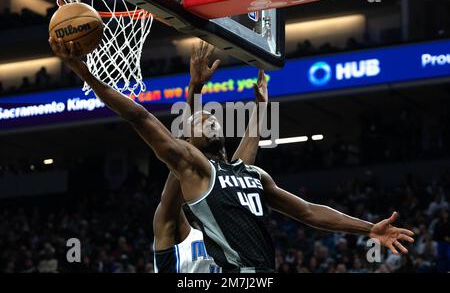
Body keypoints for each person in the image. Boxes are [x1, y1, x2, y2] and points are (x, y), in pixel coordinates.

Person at [50, 37, 415, 273]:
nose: (208, 119)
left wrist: (369, 227)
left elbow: (305, 210)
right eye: (198, 121)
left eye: (211, 117)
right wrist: (85, 72)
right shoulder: (193, 179)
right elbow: (143, 118)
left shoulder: (246, 174)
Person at [153, 43, 267, 273]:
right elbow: (182, 156)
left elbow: (240, 167)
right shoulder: (174, 224)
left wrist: (261, 107)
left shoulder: (229, 235)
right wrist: (195, 89)